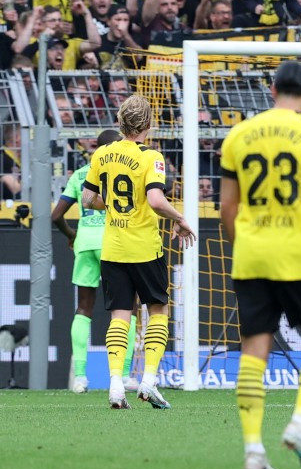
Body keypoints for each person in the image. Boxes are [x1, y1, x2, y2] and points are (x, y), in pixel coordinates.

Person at [219, 60, 301, 469]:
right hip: (297, 256)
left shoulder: (238, 135)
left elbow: (227, 208)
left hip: (251, 255)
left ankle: (253, 450)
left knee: (254, 349)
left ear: (272, 90)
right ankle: (300, 423)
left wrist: (243, 248)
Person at [81, 96, 196, 410]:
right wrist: (180, 219)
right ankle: (148, 381)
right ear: (148, 124)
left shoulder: (102, 153)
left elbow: (88, 199)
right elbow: (156, 201)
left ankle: (115, 385)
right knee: (157, 310)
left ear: (120, 122)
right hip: (145, 249)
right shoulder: (151, 157)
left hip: (113, 249)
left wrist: (114, 206)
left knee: (120, 315)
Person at [52, 128, 142, 394]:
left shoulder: (81, 174)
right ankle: (124, 375)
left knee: (84, 308)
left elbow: (56, 215)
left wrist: (72, 235)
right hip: (114, 242)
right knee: (127, 307)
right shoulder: (123, 170)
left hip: (85, 243)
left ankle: (80, 377)